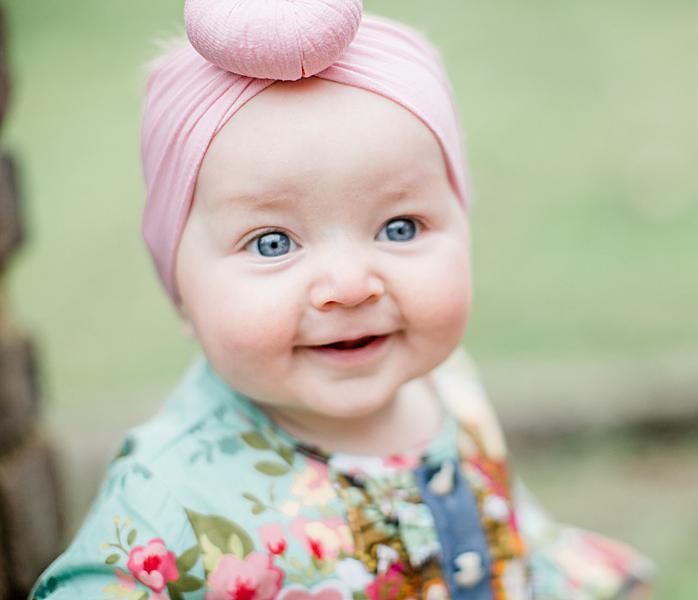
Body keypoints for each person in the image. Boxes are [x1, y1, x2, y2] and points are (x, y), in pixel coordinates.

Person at [31, 1, 652, 598]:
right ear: (180, 281)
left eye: (400, 227)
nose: (352, 286)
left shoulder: (448, 387)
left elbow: (510, 538)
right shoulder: (163, 506)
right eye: (272, 242)